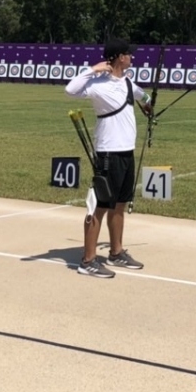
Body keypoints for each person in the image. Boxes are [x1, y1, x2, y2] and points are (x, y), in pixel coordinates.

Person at [65, 36, 153, 278]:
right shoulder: (97, 83)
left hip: (126, 151)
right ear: (119, 57)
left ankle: (116, 252)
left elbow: (143, 97)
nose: (132, 57)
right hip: (107, 152)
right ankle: (88, 260)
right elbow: (70, 90)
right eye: (128, 54)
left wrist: (148, 104)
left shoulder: (127, 83)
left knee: (120, 204)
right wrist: (93, 69)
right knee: (99, 206)